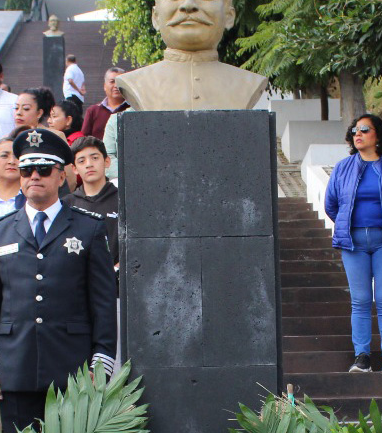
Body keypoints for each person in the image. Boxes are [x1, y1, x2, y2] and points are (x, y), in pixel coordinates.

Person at [0, 129, 116, 433]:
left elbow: (103, 302)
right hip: (16, 367)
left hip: (73, 369)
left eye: (44, 169)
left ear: (60, 177)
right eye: (27, 170)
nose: (34, 176)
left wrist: (101, 361)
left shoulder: (88, 227)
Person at [324, 114, 382, 373]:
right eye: (355, 130)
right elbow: (331, 204)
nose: (358, 134)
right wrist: (349, 225)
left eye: (364, 129)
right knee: (361, 300)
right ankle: (362, 357)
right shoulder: (343, 167)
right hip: (353, 243)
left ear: (378, 135)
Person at [115, 0, 267, 111]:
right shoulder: (138, 83)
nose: (188, 5)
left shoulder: (248, 84)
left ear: (229, 16)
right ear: (155, 17)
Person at [68, 137, 118, 272]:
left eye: (95, 158)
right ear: (74, 168)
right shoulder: (66, 204)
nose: (89, 164)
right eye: (81, 161)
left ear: (107, 161)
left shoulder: (123, 200)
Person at [80, 68, 129, 140]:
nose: (116, 86)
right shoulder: (93, 111)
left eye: (119, 81)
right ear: (105, 86)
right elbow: (84, 138)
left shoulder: (134, 109)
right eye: (112, 82)